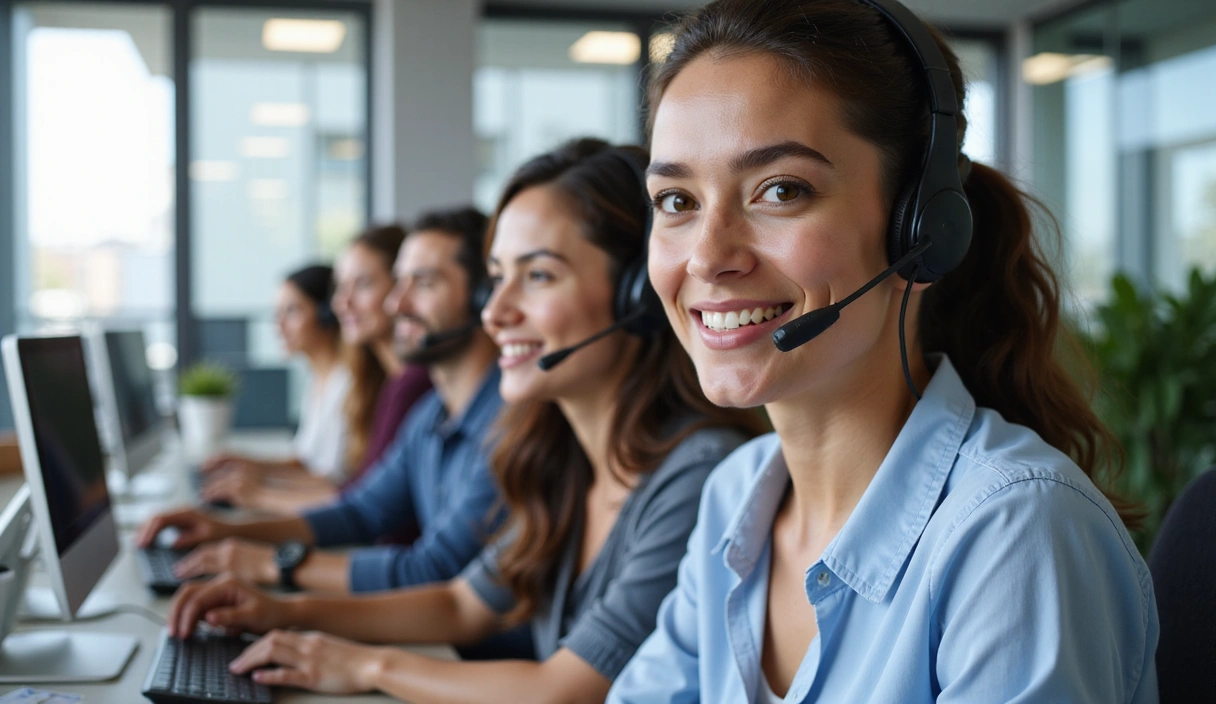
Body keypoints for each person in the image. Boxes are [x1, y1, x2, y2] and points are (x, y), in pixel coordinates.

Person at [608, 1, 1159, 703]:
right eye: (677, 200)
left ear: (919, 230)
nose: (709, 257)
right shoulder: (737, 497)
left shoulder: (1014, 532)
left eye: (781, 190)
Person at [163, 139, 766, 702]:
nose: (496, 313)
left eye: (538, 276)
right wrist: (280, 609)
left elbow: (562, 688)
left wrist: (364, 665)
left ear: (639, 295)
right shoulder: (561, 455)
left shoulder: (695, 476)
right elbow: (463, 604)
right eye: (497, 279)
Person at [137, 208, 501, 595]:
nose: (396, 304)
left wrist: (268, 564)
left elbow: (432, 569)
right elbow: (361, 510)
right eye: (398, 283)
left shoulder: (500, 424)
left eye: (424, 283)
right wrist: (227, 531)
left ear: (484, 297)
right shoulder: (432, 414)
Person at [200, 225, 433, 514]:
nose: (342, 303)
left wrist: (259, 491)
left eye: (362, 284)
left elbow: (359, 497)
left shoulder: (408, 384)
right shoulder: (378, 380)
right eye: (340, 287)